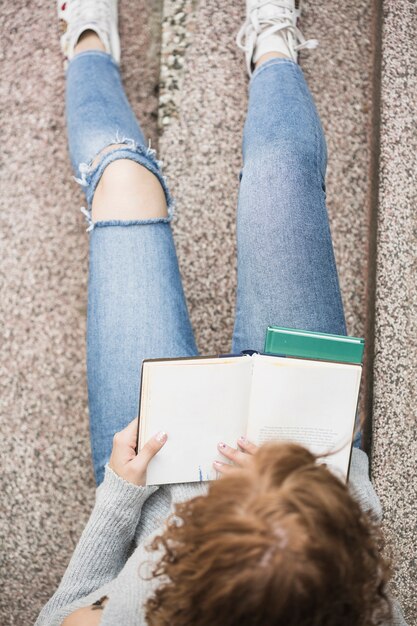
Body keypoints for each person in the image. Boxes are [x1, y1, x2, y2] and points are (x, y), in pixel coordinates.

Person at [35, 1, 407, 624]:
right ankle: (271, 49)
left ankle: (88, 47)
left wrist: (121, 497)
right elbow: (355, 519)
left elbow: (64, 612)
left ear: (184, 569)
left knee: (123, 179)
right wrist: (319, 478)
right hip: (302, 446)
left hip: (153, 464)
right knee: (282, 174)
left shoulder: (143, 612)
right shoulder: (365, 606)